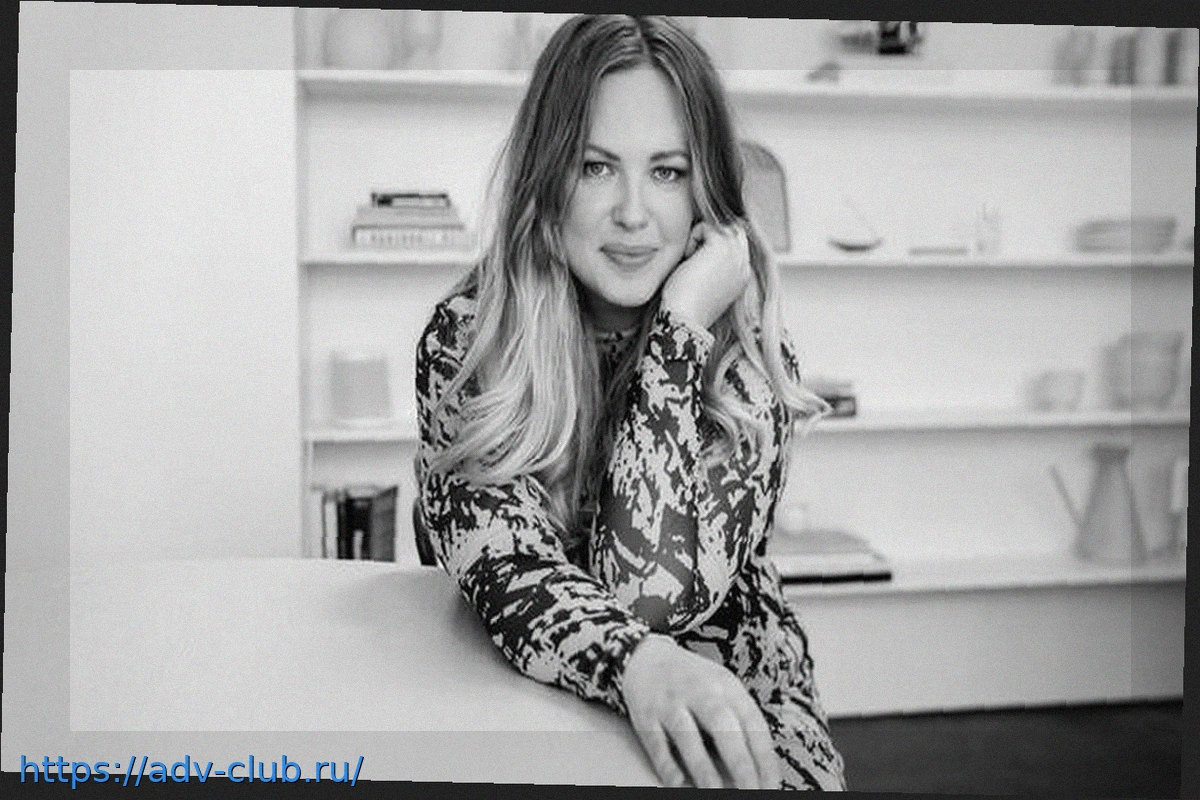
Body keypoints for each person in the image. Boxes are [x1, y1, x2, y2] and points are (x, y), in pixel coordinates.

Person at [414, 14, 846, 791]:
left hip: (732, 683)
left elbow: (650, 597)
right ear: (549, 176)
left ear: (706, 192)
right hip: (526, 676)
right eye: (596, 167)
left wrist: (680, 332)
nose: (634, 214)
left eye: (668, 172)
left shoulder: (749, 359)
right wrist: (635, 664)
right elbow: (509, 566)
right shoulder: (470, 341)